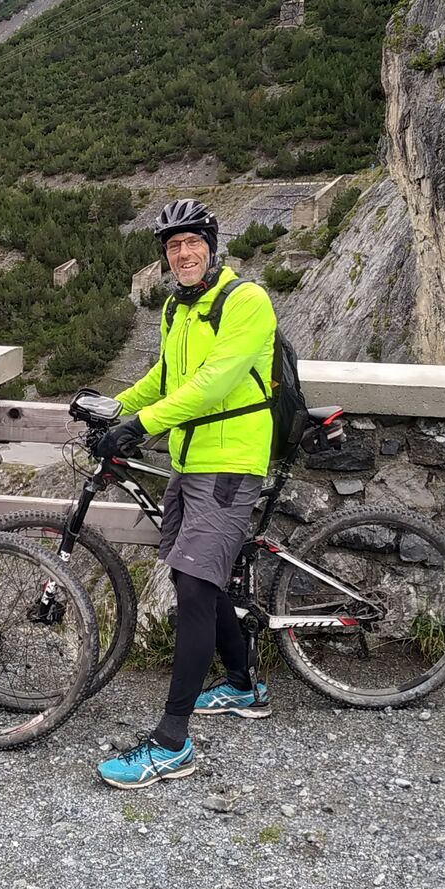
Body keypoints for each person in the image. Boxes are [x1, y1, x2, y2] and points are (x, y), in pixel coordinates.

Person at [95, 197, 277, 791]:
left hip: (230, 463)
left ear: (212, 245)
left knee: (196, 587)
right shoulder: (178, 306)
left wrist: (140, 426)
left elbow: (213, 384)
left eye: (192, 241)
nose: (183, 253)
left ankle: (172, 742)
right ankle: (244, 686)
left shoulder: (245, 301)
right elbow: (166, 379)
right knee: (193, 576)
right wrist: (114, 406)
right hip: (189, 462)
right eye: (173, 246)